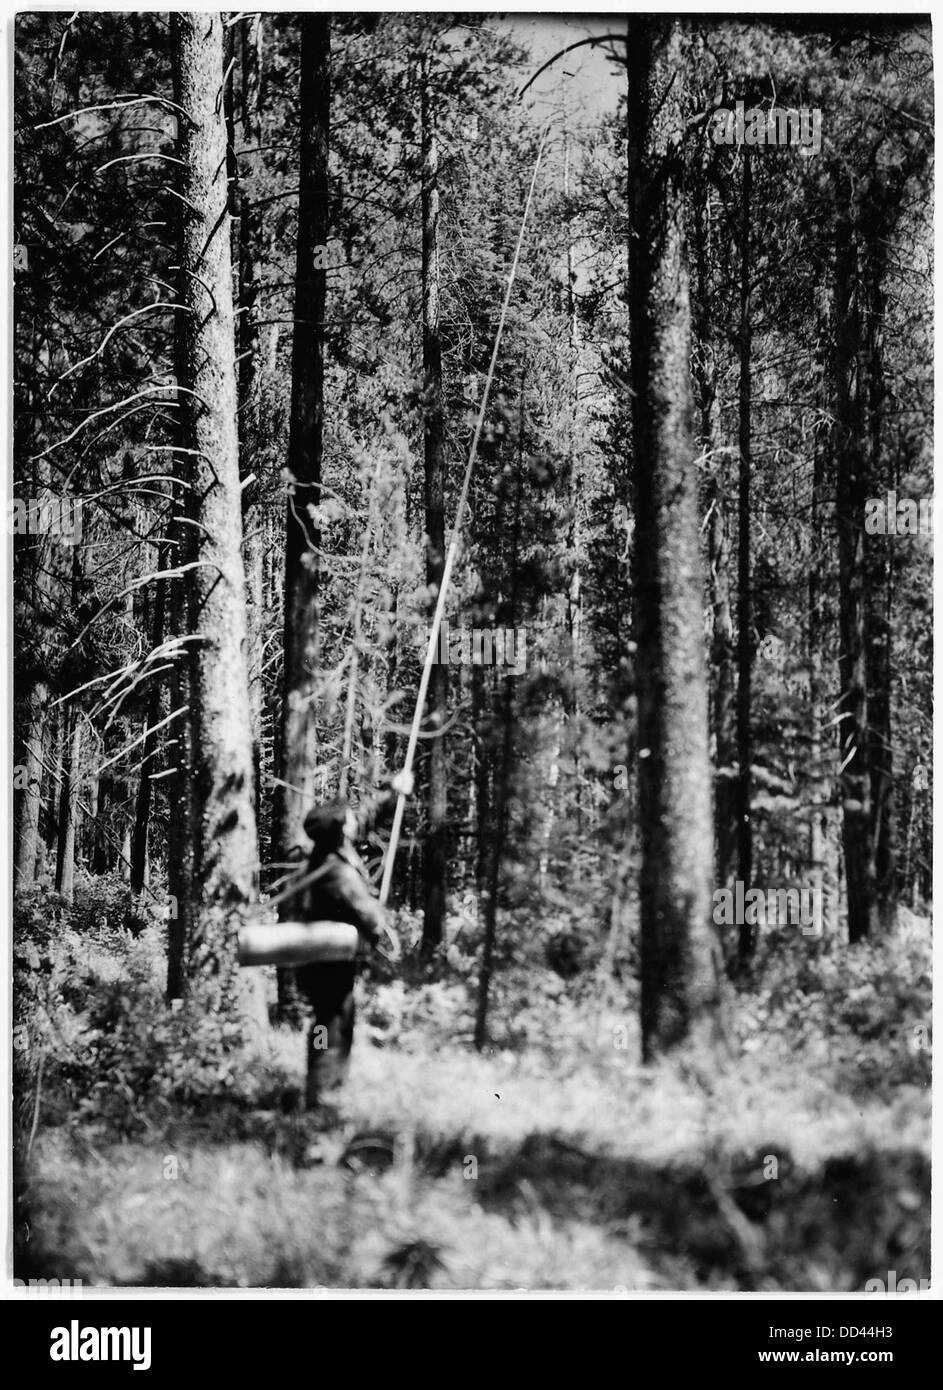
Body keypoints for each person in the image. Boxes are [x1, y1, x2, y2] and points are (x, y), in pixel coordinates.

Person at [295, 770, 412, 1111]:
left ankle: (329, 1090)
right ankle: (318, 1095)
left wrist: (392, 792)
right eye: (345, 819)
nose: (352, 821)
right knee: (328, 1025)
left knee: (336, 1022)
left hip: (330, 959)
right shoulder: (336, 869)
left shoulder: (332, 849)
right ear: (337, 830)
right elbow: (368, 914)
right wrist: (379, 921)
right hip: (327, 963)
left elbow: (364, 817)